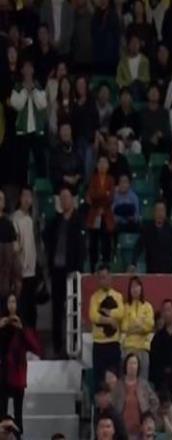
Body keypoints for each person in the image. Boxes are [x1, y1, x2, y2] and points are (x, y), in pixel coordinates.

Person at [44, 187, 86, 356]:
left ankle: (73, 345)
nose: (64, 201)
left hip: (72, 273)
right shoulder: (55, 221)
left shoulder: (79, 221)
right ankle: (57, 346)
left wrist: (77, 271)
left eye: (67, 197)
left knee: (72, 308)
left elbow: (81, 249)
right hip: (57, 270)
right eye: (61, 198)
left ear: (72, 200)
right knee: (56, 309)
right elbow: (47, 239)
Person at [0, 293, 42, 436]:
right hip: (2, 374)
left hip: (17, 375)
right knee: (2, 412)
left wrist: (22, 329)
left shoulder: (23, 325)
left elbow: (37, 348)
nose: (12, 305)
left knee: (18, 413)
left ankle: (18, 436)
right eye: (9, 302)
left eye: (14, 302)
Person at [10, 59, 47, 185]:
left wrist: (34, 90)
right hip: (22, 132)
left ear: (33, 70)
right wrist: (25, 90)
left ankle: (42, 185)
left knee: (40, 160)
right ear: (21, 71)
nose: (27, 70)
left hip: (37, 131)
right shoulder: (17, 87)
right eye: (25, 67)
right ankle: (22, 187)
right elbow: (17, 105)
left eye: (29, 67)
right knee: (22, 162)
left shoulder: (38, 86)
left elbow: (42, 104)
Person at [131, 200, 172, 274]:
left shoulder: (170, 230)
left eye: (162, 211)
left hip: (167, 273)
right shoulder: (147, 229)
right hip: (151, 272)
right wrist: (133, 263)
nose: (160, 213)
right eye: (158, 210)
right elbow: (138, 247)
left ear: (165, 213)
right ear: (154, 213)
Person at [89, 265, 124, 387]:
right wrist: (110, 321)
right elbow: (93, 316)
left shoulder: (118, 296)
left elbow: (121, 313)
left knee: (115, 380)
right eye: (100, 278)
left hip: (113, 343)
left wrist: (108, 312)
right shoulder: (94, 297)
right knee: (99, 382)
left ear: (110, 277)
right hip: (99, 344)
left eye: (105, 277)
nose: (103, 280)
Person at [112, 353, 159, 438]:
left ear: (138, 367)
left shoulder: (144, 384)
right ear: (125, 366)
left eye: (135, 363)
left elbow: (155, 402)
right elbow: (112, 404)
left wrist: (148, 415)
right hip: (121, 429)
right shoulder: (118, 385)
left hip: (140, 429)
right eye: (130, 363)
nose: (132, 366)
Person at [12, 187, 37, 328]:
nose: (27, 199)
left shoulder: (31, 219)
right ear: (20, 198)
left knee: (31, 310)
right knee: (21, 309)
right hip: (20, 272)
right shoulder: (15, 218)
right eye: (24, 196)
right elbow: (15, 247)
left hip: (32, 272)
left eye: (30, 196)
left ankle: (31, 337)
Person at [86, 156, 115, 273]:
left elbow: (111, 197)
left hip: (106, 214)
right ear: (97, 165)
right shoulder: (93, 179)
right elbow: (91, 195)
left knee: (106, 242)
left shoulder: (111, 179)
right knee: (93, 242)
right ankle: (92, 267)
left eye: (105, 162)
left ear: (108, 166)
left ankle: (106, 266)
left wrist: (99, 195)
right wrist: (104, 193)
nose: (102, 165)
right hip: (94, 213)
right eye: (100, 162)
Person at [121, 276, 154, 379]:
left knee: (143, 380)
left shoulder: (148, 306)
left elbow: (149, 326)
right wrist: (141, 324)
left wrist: (133, 327)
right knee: (129, 379)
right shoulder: (125, 307)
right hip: (129, 348)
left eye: (137, 286)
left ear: (141, 288)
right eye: (132, 287)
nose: (135, 289)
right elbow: (125, 327)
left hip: (143, 349)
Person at [50, 123, 84, 197]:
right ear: (60, 133)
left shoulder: (76, 149)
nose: (66, 133)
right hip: (60, 189)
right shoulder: (55, 151)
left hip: (75, 189)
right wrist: (66, 178)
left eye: (67, 130)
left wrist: (77, 177)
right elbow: (53, 172)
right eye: (63, 130)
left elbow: (81, 169)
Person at [116, 33, 151, 101]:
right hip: (127, 88)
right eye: (133, 42)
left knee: (136, 86)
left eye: (137, 43)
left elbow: (146, 78)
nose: (135, 45)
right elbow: (119, 79)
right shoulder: (122, 61)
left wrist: (135, 82)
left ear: (139, 45)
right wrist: (130, 84)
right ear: (129, 45)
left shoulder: (145, 60)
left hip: (140, 88)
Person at [140, 84, 170, 161]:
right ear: (147, 95)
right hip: (147, 142)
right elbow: (141, 130)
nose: (154, 93)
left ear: (159, 95)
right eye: (151, 91)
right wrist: (151, 138)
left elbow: (167, 131)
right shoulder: (142, 112)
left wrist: (160, 135)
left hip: (161, 141)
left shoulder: (164, 112)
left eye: (156, 91)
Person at [110, 87, 142, 155]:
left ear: (131, 98)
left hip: (131, 141)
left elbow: (138, 131)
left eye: (127, 96)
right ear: (120, 99)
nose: (125, 98)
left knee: (137, 145)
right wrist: (121, 139)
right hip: (119, 140)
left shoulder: (135, 114)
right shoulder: (115, 113)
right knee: (119, 145)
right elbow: (112, 130)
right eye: (123, 96)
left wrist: (130, 140)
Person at [92, 0, 120, 75]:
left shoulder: (113, 14)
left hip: (110, 55)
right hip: (97, 56)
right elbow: (93, 33)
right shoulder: (96, 14)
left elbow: (117, 37)